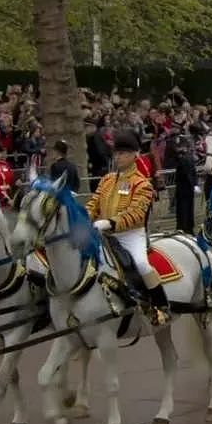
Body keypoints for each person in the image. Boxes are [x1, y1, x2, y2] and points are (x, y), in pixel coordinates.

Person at [86, 131, 170, 326]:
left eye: (123, 153)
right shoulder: (106, 180)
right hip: (104, 233)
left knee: (141, 264)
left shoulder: (142, 183)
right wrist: (83, 217)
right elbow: (94, 203)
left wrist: (111, 222)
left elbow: (136, 213)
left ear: (135, 155)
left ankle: (160, 306)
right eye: (116, 153)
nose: (118, 157)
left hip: (131, 235)